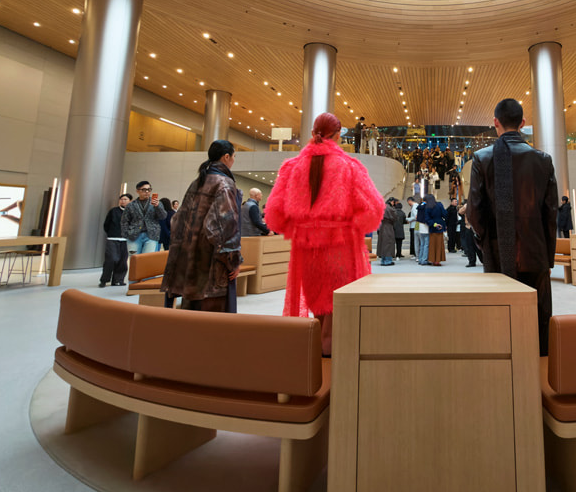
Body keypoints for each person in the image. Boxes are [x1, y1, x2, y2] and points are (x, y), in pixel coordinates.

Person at [265, 113, 384, 355]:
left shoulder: (291, 167)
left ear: (313, 133)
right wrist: (350, 225)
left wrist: (304, 227)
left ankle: (318, 358)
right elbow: (374, 208)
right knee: (340, 305)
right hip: (341, 250)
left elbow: (274, 215)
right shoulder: (350, 167)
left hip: (308, 252)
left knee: (317, 305)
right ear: (338, 135)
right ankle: (335, 360)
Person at [468, 98, 558, 355]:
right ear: (523, 123)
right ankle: (540, 370)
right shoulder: (543, 160)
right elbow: (551, 214)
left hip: (498, 251)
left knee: (501, 314)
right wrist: (547, 256)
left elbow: (475, 211)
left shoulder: (482, 158)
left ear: (495, 122)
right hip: (535, 250)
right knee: (537, 316)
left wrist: (485, 242)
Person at [161, 140, 243, 311]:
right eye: (234, 156)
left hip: (190, 262)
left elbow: (177, 221)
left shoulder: (197, 182)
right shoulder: (225, 184)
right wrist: (233, 261)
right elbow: (225, 228)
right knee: (213, 325)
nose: (234, 160)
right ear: (226, 157)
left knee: (191, 319)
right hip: (212, 265)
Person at [121, 180, 167, 254]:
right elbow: (124, 220)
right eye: (144, 190)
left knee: (147, 260)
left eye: (149, 190)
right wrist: (126, 234)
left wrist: (158, 207)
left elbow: (163, 217)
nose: (147, 192)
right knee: (134, 258)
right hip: (133, 236)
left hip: (151, 235)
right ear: (137, 191)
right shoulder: (131, 205)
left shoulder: (157, 203)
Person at [98, 193, 131, 287]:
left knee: (122, 261)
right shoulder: (113, 211)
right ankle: (104, 280)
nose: (123, 201)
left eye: (125, 199)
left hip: (125, 240)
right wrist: (111, 233)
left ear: (130, 201)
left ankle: (118, 280)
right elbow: (106, 224)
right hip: (112, 238)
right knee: (111, 259)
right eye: (121, 199)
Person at [424, 194, 447, 266]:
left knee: (432, 245)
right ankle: (438, 260)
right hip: (440, 226)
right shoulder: (439, 204)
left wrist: (434, 224)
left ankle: (433, 260)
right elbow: (445, 214)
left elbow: (427, 219)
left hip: (433, 227)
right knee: (439, 244)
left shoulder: (427, 207)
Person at [377, 197, 398, 266]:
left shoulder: (382, 207)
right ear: (392, 202)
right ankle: (388, 261)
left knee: (383, 244)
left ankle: (383, 260)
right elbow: (395, 217)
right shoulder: (389, 208)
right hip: (388, 227)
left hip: (382, 227)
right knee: (389, 243)